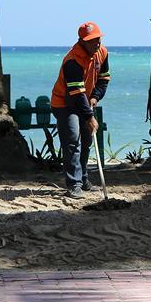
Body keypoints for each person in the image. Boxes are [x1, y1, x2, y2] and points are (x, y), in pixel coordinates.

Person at [50, 22, 111, 198]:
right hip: (64, 103)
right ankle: (73, 184)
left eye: (98, 39)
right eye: (92, 41)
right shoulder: (72, 61)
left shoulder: (103, 52)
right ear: (81, 41)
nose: (96, 43)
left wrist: (95, 97)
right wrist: (90, 117)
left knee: (86, 141)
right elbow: (76, 93)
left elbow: (104, 78)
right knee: (73, 142)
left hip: (85, 100)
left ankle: (83, 180)